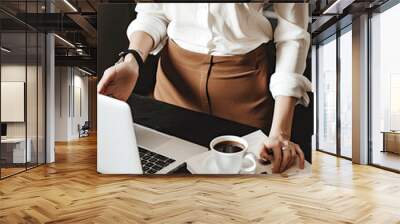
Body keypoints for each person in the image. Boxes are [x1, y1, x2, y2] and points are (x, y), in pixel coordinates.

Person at [97, 3, 311, 173]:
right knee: (167, 175)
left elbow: (292, 35)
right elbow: (153, 11)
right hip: (174, 82)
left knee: (244, 184)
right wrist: (132, 59)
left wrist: (280, 132)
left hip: (244, 84)